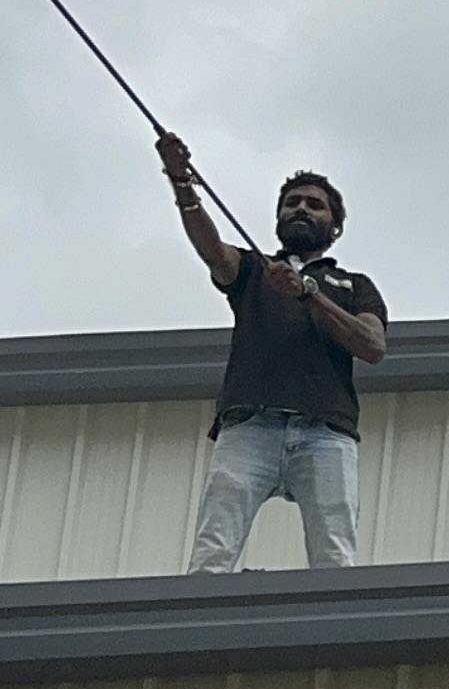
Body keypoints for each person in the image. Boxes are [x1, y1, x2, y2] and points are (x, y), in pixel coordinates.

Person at [158, 132, 390, 572]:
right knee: (213, 554)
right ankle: (199, 633)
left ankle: (334, 637)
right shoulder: (253, 269)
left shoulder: (355, 286)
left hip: (327, 432)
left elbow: (372, 345)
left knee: (336, 560)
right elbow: (211, 250)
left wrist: (307, 294)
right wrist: (181, 181)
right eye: (292, 202)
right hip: (249, 425)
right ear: (278, 217)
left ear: (335, 228)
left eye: (314, 204)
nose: (300, 208)